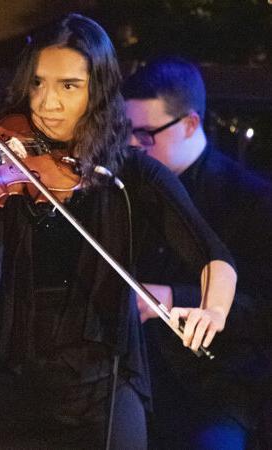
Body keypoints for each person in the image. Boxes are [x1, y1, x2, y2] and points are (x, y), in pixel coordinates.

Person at [0, 14, 237, 449]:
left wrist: (213, 311)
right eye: (38, 83)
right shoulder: (4, 165)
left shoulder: (131, 174)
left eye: (68, 86)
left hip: (104, 389)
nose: (47, 103)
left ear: (97, 91)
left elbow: (213, 255)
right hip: (8, 387)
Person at [123, 56, 272, 449]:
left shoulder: (253, 200)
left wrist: (172, 298)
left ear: (190, 123)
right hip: (144, 383)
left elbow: (263, 311)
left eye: (146, 133)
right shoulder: (128, 191)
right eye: (127, 132)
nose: (132, 146)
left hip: (223, 390)